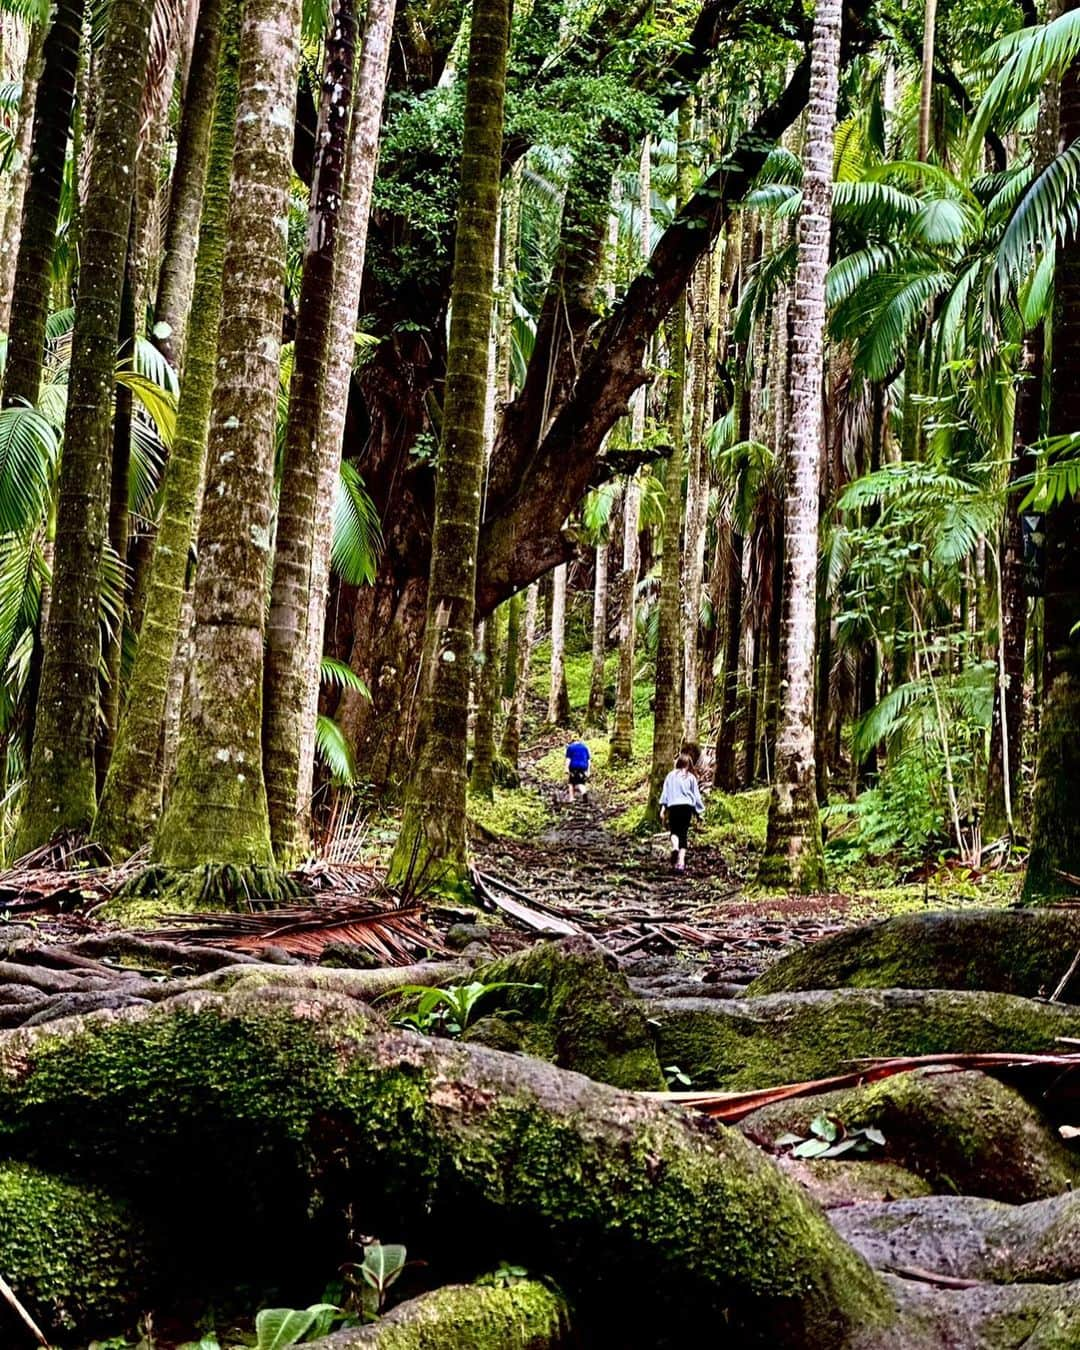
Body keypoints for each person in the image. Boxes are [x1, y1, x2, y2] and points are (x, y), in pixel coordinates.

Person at [660, 752, 705, 873]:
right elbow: (696, 796)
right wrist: (699, 813)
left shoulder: (670, 776)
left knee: (674, 831)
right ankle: (681, 863)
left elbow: (665, 793)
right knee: (683, 834)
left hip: (674, 806)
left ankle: (674, 847)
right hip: (687, 808)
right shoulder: (691, 777)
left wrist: (663, 809)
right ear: (689, 764)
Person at [565, 736, 591, 802]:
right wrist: (588, 770)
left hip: (574, 766)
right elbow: (588, 760)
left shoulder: (570, 747)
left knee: (571, 783)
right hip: (584, 766)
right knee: (581, 781)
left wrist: (566, 768)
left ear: (572, 740)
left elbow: (568, 759)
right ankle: (583, 793)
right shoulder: (585, 747)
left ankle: (572, 797)